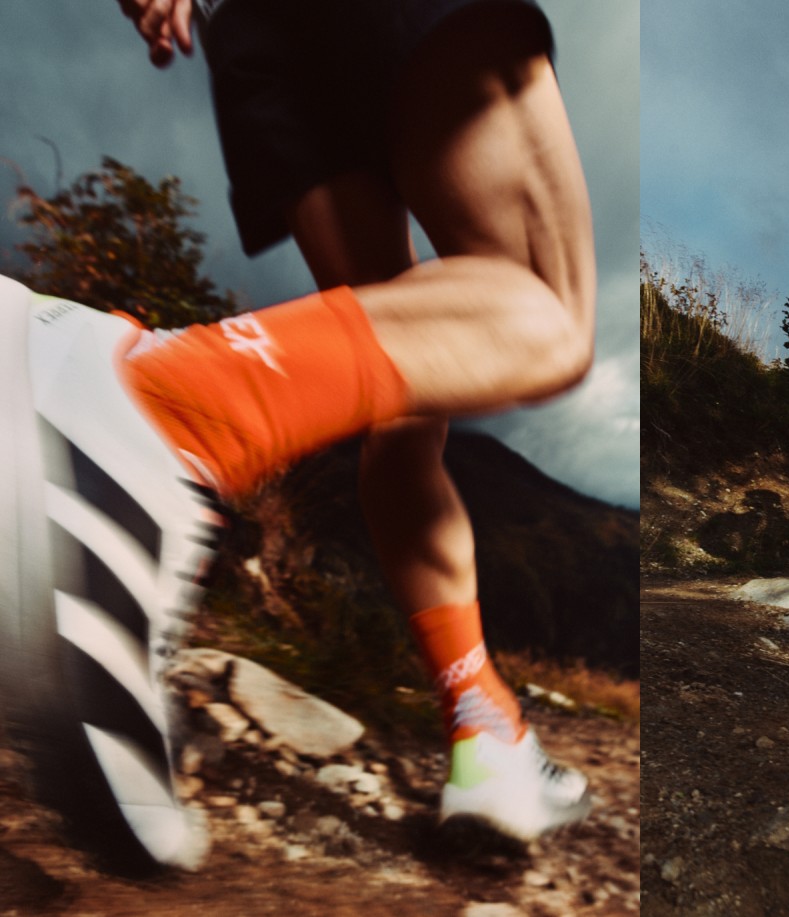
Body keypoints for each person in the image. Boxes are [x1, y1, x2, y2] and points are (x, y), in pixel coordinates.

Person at [2, 0, 598, 870]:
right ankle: (159, 401)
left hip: (256, 31)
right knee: (545, 307)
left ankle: (487, 729)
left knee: (407, 391)